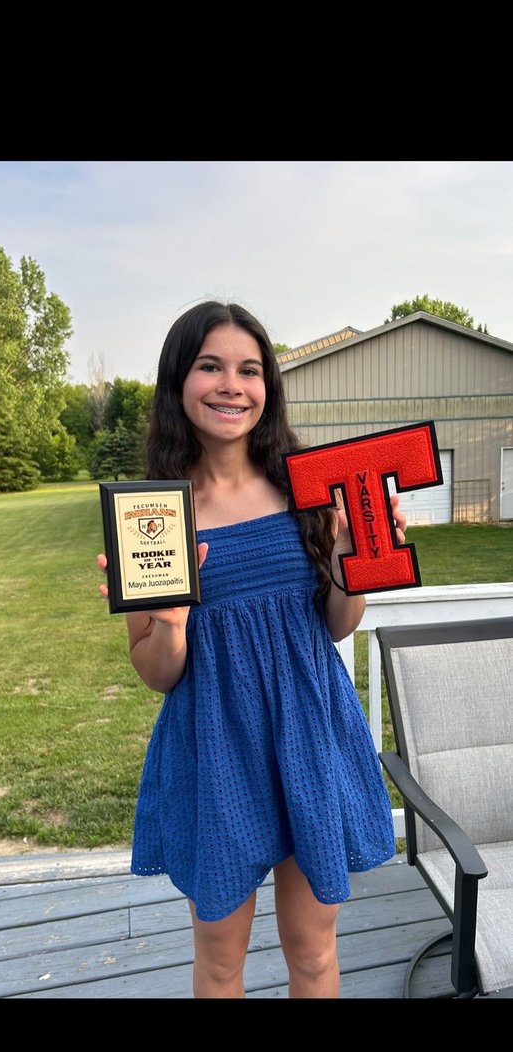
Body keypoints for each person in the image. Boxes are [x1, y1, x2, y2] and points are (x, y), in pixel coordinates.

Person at [97, 300, 407, 999]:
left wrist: (352, 560)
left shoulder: (310, 490)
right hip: (214, 743)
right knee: (220, 960)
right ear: (180, 381)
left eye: (249, 368)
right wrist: (171, 623)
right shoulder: (153, 512)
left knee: (314, 953)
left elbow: (334, 624)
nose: (231, 384)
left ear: (268, 385)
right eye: (210, 366)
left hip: (309, 731)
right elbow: (155, 671)